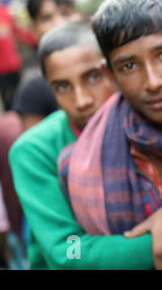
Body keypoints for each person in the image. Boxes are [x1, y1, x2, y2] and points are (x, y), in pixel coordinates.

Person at [58, 0, 162, 270]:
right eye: (128, 66)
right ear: (110, 74)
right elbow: (70, 253)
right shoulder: (75, 166)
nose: (152, 82)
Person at [9, 21, 119, 269]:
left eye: (93, 77)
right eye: (63, 86)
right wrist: (161, 240)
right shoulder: (33, 151)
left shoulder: (142, 128)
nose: (81, 100)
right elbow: (69, 251)